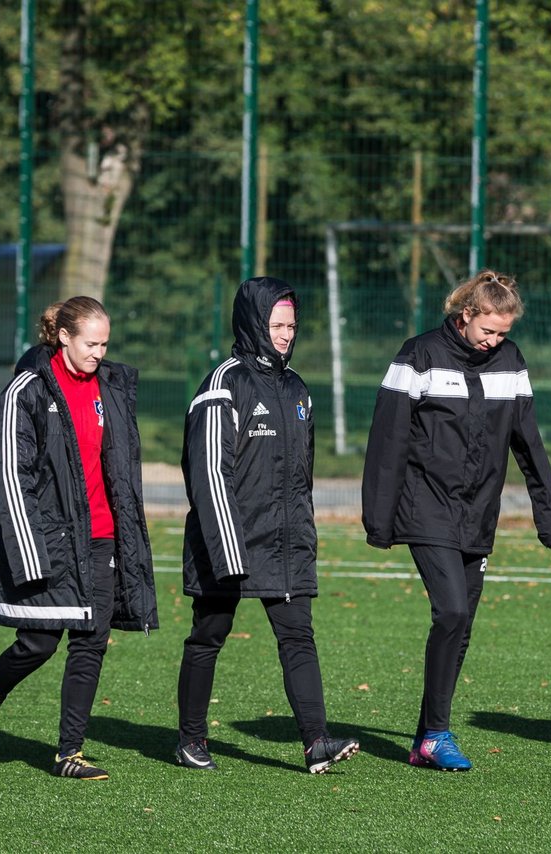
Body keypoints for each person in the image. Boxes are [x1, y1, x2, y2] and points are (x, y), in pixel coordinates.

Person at [362, 269, 551, 772]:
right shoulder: (419, 355)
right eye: (487, 331)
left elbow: (528, 443)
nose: (494, 341)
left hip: (479, 513)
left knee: (463, 625)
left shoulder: (511, 362)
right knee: (451, 613)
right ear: (464, 315)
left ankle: (426, 738)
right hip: (425, 506)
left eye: (502, 333)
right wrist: (379, 519)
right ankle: (435, 733)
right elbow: (388, 440)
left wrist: (549, 509)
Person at [0, 296, 157, 780]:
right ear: (63, 336)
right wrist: (28, 550)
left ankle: (68, 752)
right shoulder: (26, 391)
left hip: (103, 538)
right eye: (90, 342)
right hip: (50, 538)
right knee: (38, 643)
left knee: (91, 642)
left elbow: (118, 468)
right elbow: (13, 474)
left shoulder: (109, 386)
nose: (98, 352)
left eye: (105, 343)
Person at [177, 277, 359, 773]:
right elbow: (209, 472)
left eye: (292, 325)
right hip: (227, 542)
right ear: (254, 322)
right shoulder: (223, 385)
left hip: (284, 544)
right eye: (277, 324)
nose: (285, 334)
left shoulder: (297, 387)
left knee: (298, 633)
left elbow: (302, 476)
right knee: (208, 635)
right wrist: (228, 550)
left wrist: (303, 536)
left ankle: (315, 741)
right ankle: (191, 739)